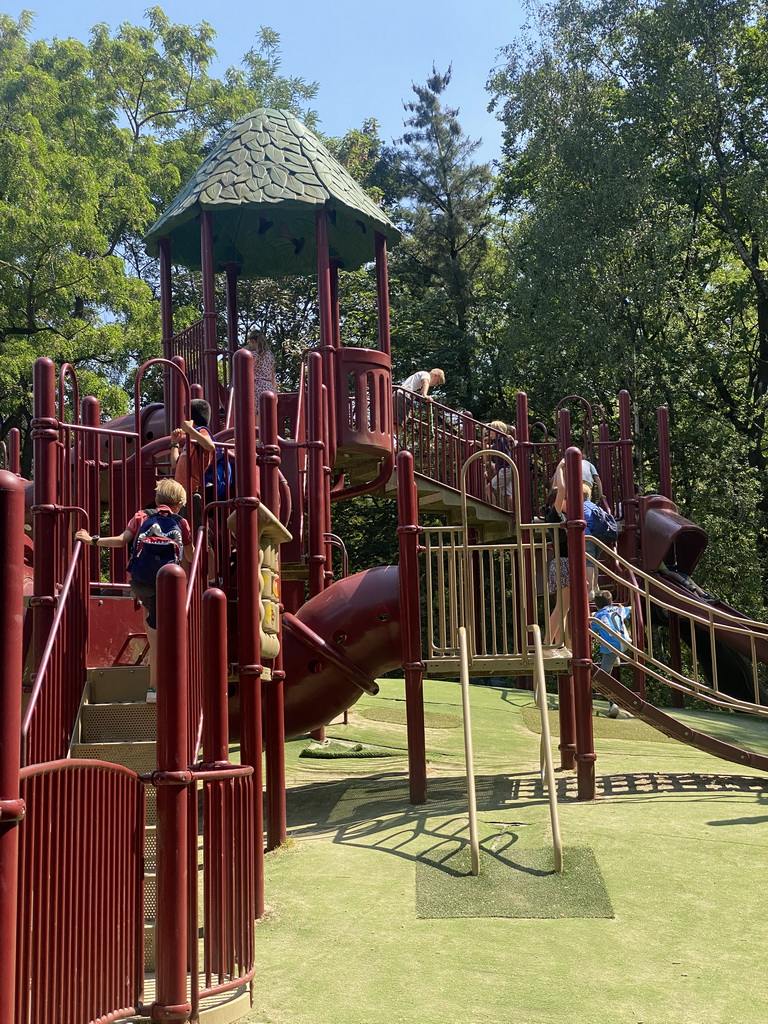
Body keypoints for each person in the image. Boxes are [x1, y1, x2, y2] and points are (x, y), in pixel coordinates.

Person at [75, 478, 194, 702]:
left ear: (158, 499)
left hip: (140, 581)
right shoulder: (182, 522)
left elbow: (121, 541)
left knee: (151, 622)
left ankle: (155, 665)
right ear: (179, 503)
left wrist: (92, 539)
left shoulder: (141, 516)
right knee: (162, 630)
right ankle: (154, 688)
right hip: (167, 582)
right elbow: (189, 556)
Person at [592, 590, 632, 717]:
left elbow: (592, 629)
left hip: (611, 647)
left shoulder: (597, 615)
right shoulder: (619, 609)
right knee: (614, 652)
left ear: (597, 605)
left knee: (603, 678)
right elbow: (630, 609)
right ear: (611, 601)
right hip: (625, 642)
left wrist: (592, 615)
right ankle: (616, 658)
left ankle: (613, 704)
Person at [243, 328, 277, 411]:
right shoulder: (270, 354)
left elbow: (240, 357)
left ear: (252, 341)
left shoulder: (252, 355)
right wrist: (275, 391)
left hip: (257, 387)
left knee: (256, 415)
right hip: (269, 387)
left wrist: (245, 349)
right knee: (267, 414)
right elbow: (273, 374)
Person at [486, 420, 515, 503]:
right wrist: (478, 443)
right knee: (507, 495)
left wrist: (511, 441)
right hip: (507, 469)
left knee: (488, 488)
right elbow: (490, 447)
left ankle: (493, 510)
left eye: (490, 429)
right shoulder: (497, 443)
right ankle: (515, 513)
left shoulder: (503, 439)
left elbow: (511, 445)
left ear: (496, 430)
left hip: (506, 469)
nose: (489, 432)